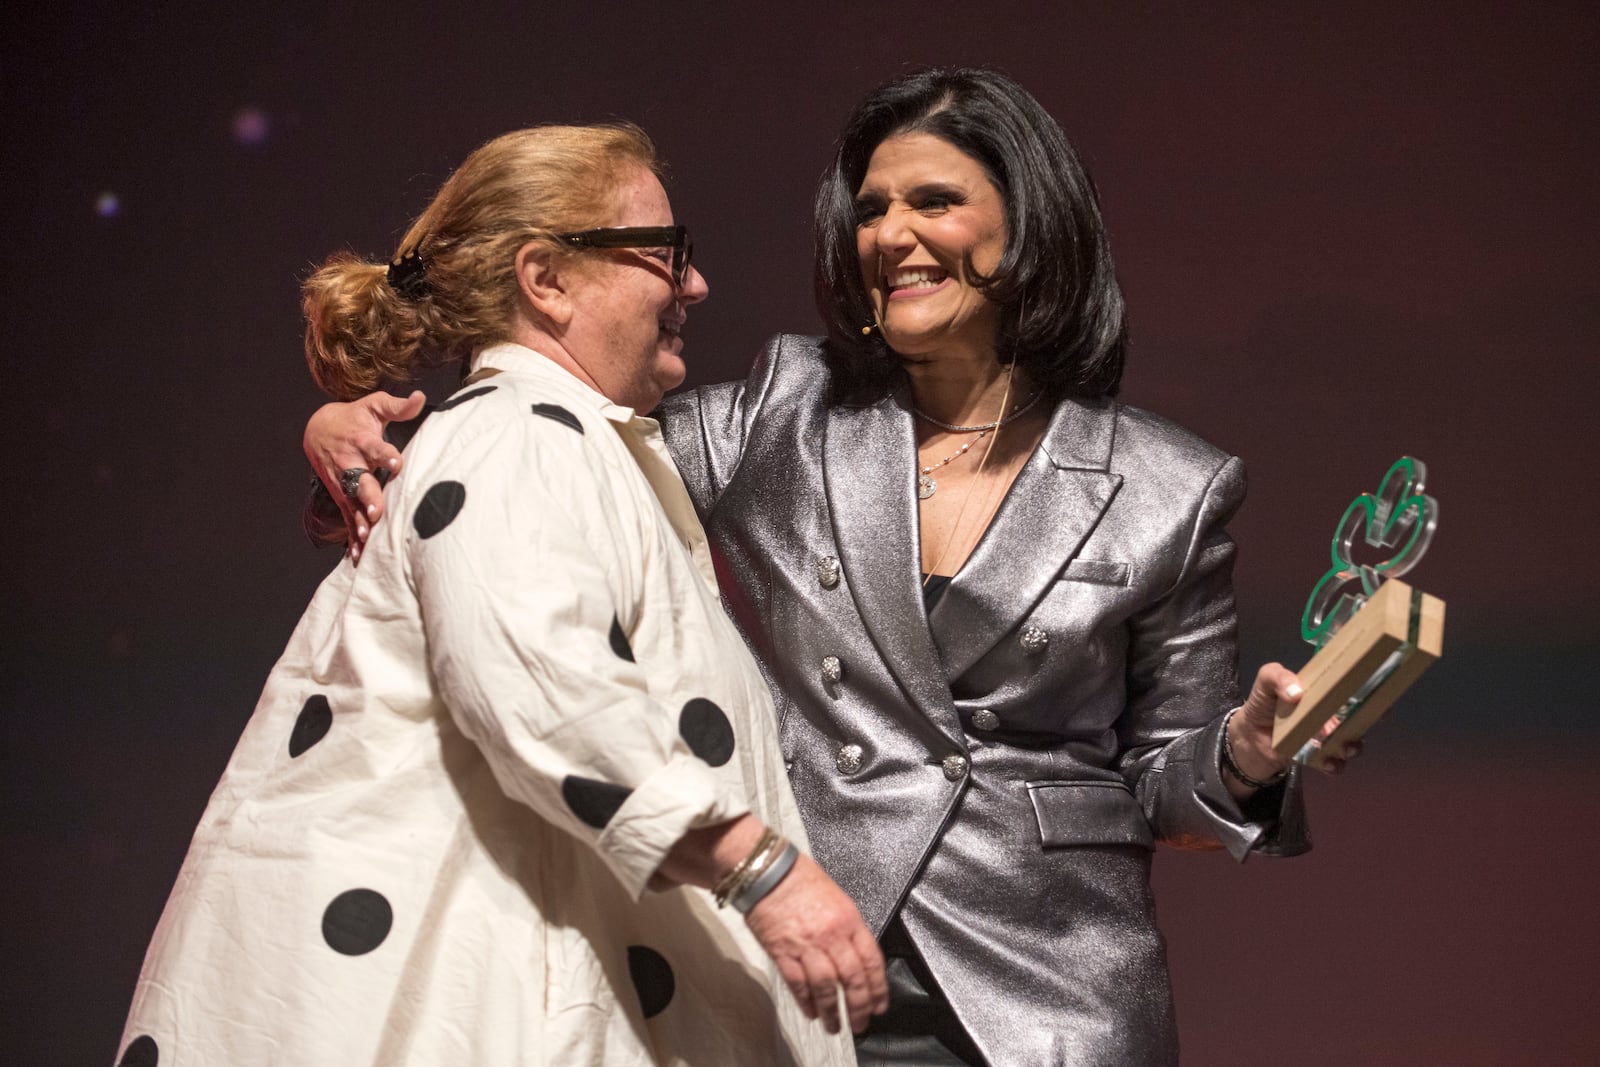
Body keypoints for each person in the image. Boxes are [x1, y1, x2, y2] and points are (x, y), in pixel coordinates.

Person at [305, 72, 1358, 1066]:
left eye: (933, 201)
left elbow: (1164, 776)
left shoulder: (1170, 484)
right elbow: (555, 460)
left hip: (1045, 989)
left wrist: (1249, 752)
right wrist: (352, 430)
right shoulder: (783, 408)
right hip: (798, 957)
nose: (889, 234)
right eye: (870, 208)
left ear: (1029, 226)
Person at [118, 123, 888, 1067]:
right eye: (664, 253)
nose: (693, 285)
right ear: (546, 279)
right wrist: (761, 869)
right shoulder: (516, 437)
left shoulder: (561, 440)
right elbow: (544, 684)